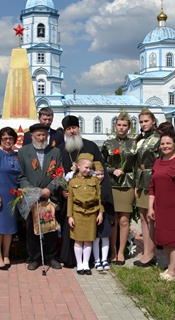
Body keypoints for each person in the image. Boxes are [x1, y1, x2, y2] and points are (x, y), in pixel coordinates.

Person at [58, 115, 114, 268]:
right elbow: (57, 174)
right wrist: (62, 190)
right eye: (68, 129)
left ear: (79, 128)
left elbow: (100, 171)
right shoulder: (60, 150)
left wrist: (100, 194)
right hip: (70, 199)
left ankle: (91, 261)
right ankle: (70, 259)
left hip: (89, 198)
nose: (72, 131)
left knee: (90, 231)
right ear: (65, 132)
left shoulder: (91, 146)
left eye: (74, 128)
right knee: (71, 228)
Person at [18, 123, 63, 270]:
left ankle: (51, 256)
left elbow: (59, 174)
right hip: (32, 197)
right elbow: (21, 176)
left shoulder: (55, 152)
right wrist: (34, 192)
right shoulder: (23, 152)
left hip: (49, 197)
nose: (42, 137)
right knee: (31, 228)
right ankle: (34, 257)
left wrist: (49, 189)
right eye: (38, 135)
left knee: (50, 227)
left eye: (44, 135)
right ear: (32, 136)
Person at [148, 132, 175, 281]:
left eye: (168, 143)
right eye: (162, 144)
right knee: (165, 239)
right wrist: (150, 207)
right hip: (160, 207)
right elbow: (152, 186)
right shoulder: (157, 162)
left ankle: (173, 272)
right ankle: (169, 267)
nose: (165, 146)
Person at [101, 112, 137, 265]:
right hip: (112, 184)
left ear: (129, 127)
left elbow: (136, 165)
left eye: (125, 125)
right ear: (115, 126)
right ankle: (113, 252)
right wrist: (111, 170)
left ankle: (121, 252)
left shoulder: (134, 144)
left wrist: (136, 186)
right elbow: (102, 163)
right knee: (113, 220)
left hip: (128, 184)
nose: (121, 128)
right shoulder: (107, 144)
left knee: (124, 220)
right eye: (119, 125)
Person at [0, 127, 20, 270]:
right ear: (0, 139)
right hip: (0, 194)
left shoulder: (16, 155)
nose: (8, 141)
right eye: (5, 138)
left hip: (13, 196)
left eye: (10, 138)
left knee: (9, 228)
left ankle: (6, 255)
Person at [133, 108, 161, 267]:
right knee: (143, 216)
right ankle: (147, 252)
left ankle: (151, 254)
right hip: (140, 178)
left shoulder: (159, 138)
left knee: (151, 218)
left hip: (152, 178)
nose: (143, 124)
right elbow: (137, 163)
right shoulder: (140, 139)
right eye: (141, 122)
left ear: (153, 121)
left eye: (146, 121)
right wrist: (136, 184)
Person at [67, 154, 104, 275]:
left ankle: (86, 263)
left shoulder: (94, 181)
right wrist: (70, 216)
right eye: (86, 167)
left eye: (90, 168)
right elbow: (70, 200)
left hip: (91, 213)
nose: (88, 170)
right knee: (78, 240)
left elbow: (99, 197)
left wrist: (100, 213)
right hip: (77, 213)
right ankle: (79, 264)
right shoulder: (73, 182)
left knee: (88, 239)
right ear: (78, 166)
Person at [91, 161, 111, 271]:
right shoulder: (91, 185)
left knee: (105, 236)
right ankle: (97, 259)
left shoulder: (105, 185)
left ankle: (104, 259)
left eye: (102, 174)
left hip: (104, 215)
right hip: (94, 214)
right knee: (96, 238)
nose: (100, 176)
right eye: (97, 174)